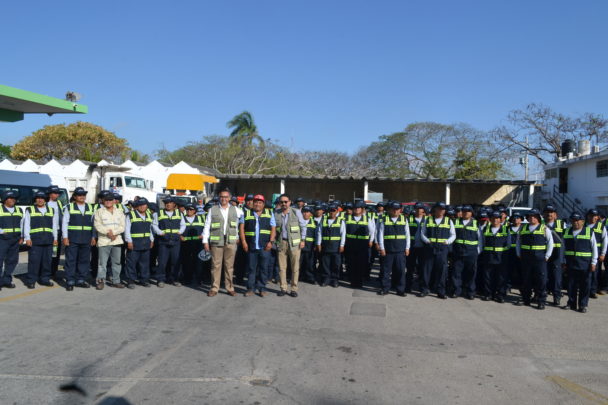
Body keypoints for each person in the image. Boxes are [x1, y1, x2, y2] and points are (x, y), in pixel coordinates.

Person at [202, 188, 243, 297]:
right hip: (216, 241)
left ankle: (230, 288)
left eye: (226, 197)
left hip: (231, 241)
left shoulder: (237, 210)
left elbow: (239, 224)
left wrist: (238, 236)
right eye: (221, 196)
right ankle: (214, 288)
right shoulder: (213, 209)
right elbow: (207, 226)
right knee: (216, 265)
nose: (223, 199)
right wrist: (205, 241)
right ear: (219, 198)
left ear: (229, 198)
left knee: (229, 266)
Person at [516, 209, 554, 310]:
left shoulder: (544, 228)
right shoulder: (523, 228)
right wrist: (518, 253)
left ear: (538, 218)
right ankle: (526, 299)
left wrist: (547, 256)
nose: (532, 218)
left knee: (541, 280)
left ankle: (541, 301)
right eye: (530, 216)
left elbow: (550, 243)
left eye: (534, 216)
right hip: (526, 258)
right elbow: (518, 242)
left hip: (540, 259)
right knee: (526, 279)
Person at [240, 194, 276, 297]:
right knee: (251, 269)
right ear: (252, 203)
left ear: (263, 204)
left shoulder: (269, 213)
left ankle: (262, 288)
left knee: (264, 268)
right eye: (256, 202)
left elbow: (273, 229)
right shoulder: (246, 213)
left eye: (260, 202)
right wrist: (243, 242)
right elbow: (241, 228)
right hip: (251, 246)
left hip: (265, 247)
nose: (257, 204)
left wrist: (271, 242)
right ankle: (250, 288)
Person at [563, 212, 598, 313]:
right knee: (571, 285)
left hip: (585, 264)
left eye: (577, 220)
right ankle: (571, 303)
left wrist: (593, 263)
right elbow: (563, 248)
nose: (575, 222)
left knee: (585, 286)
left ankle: (583, 305)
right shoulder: (566, 231)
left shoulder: (589, 232)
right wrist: (564, 262)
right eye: (573, 220)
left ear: (582, 221)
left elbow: (594, 248)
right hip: (571, 263)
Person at [419, 202, 456, 298]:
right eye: (439, 209)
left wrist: (447, 242)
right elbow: (423, 233)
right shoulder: (428, 220)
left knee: (442, 271)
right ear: (435, 209)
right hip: (430, 248)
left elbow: (453, 235)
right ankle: (424, 289)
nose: (441, 211)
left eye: (443, 209)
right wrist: (427, 241)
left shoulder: (448, 221)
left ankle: (441, 291)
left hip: (442, 249)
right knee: (427, 270)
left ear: (444, 211)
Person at [63, 187, 96, 291]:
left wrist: (93, 236)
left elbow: (94, 224)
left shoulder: (91, 208)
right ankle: (70, 281)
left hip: (86, 238)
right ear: (75, 197)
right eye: (79, 195)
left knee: (84, 260)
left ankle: (81, 280)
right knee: (71, 260)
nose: (82, 197)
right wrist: (65, 237)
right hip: (73, 238)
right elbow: (65, 223)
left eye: (83, 195)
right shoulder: (69, 207)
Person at [23, 191, 58, 288]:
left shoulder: (51, 210)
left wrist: (55, 237)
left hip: (48, 239)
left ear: (45, 200)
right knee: (34, 261)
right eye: (38, 198)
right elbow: (26, 225)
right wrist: (27, 238)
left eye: (42, 198)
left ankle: (45, 279)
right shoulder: (30, 210)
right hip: (35, 240)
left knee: (47, 261)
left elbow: (54, 225)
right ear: (35, 199)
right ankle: (31, 280)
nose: (40, 200)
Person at [274, 194, 307, 297]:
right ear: (279, 203)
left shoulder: (296, 212)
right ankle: (283, 288)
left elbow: (303, 226)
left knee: (295, 267)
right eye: (281, 202)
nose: (283, 203)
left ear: (290, 202)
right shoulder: (276, 213)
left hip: (295, 244)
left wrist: (302, 240)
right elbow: (274, 228)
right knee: (282, 267)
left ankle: (293, 288)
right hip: (281, 243)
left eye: (285, 201)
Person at [93, 192, 126, 290]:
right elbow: (97, 225)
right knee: (102, 263)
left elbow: (122, 226)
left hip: (116, 240)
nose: (108, 202)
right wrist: (108, 233)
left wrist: (114, 233)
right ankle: (100, 281)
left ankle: (116, 281)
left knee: (116, 263)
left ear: (114, 201)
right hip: (104, 240)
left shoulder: (120, 211)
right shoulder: (99, 211)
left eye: (110, 200)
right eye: (106, 200)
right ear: (103, 201)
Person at [376, 201, 410, 296]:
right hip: (388, 250)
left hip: (400, 250)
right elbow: (380, 234)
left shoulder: (404, 219)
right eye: (393, 209)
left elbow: (407, 235)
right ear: (389, 210)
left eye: (397, 209)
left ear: (400, 210)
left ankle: (400, 290)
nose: (395, 211)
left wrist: (407, 248)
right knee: (386, 271)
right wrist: (382, 248)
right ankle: (385, 288)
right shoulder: (384, 219)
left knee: (400, 271)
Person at [152, 197, 185, 287]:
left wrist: (180, 232)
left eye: (170, 202)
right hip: (163, 241)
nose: (168, 204)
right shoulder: (159, 213)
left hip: (175, 241)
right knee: (162, 262)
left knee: (175, 261)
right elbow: (154, 225)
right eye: (166, 202)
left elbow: (183, 225)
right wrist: (160, 233)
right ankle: (160, 279)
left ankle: (174, 279)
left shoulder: (179, 213)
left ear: (174, 204)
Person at [479, 211, 511, 302]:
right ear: (490, 219)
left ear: (500, 220)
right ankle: (488, 294)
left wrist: (503, 254)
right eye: (493, 218)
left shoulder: (505, 229)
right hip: (488, 256)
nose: (495, 220)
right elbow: (482, 242)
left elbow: (508, 244)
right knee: (488, 277)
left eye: (497, 218)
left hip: (501, 258)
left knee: (501, 277)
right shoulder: (485, 229)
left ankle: (500, 295)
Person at [451, 205, 481, 299]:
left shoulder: (476, 223)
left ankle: (470, 292)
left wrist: (478, 251)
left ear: (471, 213)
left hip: (471, 253)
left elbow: (480, 239)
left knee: (471, 273)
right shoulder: (455, 222)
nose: (465, 213)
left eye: (468, 211)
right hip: (458, 252)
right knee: (456, 273)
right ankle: (456, 291)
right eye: (464, 211)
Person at [345, 201, 376, 289]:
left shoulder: (367, 219)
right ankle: (352, 281)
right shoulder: (348, 218)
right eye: (355, 208)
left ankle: (359, 282)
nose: (356, 210)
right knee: (351, 264)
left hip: (362, 245)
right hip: (350, 244)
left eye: (358, 208)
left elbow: (372, 231)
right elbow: (344, 232)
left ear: (362, 209)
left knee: (361, 265)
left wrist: (371, 240)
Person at [124, 198, 154, 288]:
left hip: (146, 243)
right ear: (137, 206)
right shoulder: (131, 215)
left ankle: (144, 280)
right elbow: (127, 229)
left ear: (147, 206)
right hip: (134, 243)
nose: (142, 206)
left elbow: (151, 229)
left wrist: (152, 240)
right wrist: (129, 241)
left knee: (144, 263)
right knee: (131, 263)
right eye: (140, 205)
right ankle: (131, 280)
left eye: (144, 205)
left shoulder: (149, 215)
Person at [316, 204, 345, 287]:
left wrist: (342, 245)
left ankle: (335, 279)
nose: (332, 212)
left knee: (336, 264)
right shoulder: (323, 221)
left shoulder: (340, 221)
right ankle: (326, 278)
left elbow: (343, 234)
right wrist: (318, 244)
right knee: (325, 264)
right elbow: (319, 233)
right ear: (328, 212)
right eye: (330, 211)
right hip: (325, 247)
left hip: (336, 247)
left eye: (334, 210)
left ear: (337, 211)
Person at [0, 191, 24, 289]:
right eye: (10, 198)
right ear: (5, 199)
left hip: (15, 240)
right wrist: (1, 231)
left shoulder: (19, 210)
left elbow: (22, 224)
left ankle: (7, 280)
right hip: (2, 239)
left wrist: (22, 236)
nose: (12, 200)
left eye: (14, 198)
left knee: (12, 261)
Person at [543, 205, 564, 306]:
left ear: (555, 215)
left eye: (551, 212)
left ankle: (557, 296)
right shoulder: (540, 224)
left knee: (556, 276)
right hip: (544, 253)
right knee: (543, 275)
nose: (549, 214)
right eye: (547, 212)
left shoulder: (562, 224)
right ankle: (541, 294)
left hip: (557, 253)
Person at [180, 203, 205, 285]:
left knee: (199, 262)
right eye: (187, 209)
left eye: (191, 209)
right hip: (185, 243)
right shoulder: (182, 218)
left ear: (195, 211)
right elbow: (177, 229)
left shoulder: (201, 218)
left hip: (198, 244)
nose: (189, 211)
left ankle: (199, 279)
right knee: (186, 262)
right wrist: (180, 236)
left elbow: (206, 228)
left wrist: (203, 235)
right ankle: (187, 278)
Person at [585, 209, 607, 299]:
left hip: (597, 254)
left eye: (595, 216)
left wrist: (603, 253)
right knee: (585, 272)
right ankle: (585, 289)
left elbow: (605, 240)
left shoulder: (601, 226)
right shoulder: (584, 225)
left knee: (595, 273)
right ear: (588, 216)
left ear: (597, 217)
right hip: (585, 253)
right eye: (591, 216)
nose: (593, 218)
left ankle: (593, 291)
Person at [406, 202, 426, 293]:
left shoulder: (427, 220)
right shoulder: (409, 219)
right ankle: (408, 287)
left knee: (422, 269)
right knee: (410, 269)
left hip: (423, 248)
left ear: (423, 210)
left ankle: (422, 288)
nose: (419, 210)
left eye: (420, 208)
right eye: (417, 208)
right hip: (412, 248)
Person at [46, 185, 64, 279]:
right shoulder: (45, 203)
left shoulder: (59, 203)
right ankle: (46, 272)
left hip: (57, 231)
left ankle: (53, 272)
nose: (57, 195)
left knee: (55, 253)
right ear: (50, 194)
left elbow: (61, 217)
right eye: (55, 193)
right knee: (47, 253)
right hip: (48, 232)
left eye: (57, 193)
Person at [299, 206, 318, 284]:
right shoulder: (298, 222)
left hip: (310, 246)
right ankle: (299, 277)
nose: (305, 213)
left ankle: (310, 277)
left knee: (310, 263)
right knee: (299, 263)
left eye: (307, 212)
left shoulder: (315, 222)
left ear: (311, 214)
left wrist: (316, 245)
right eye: (304, 212)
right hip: (300, 246)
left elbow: (317, 235)